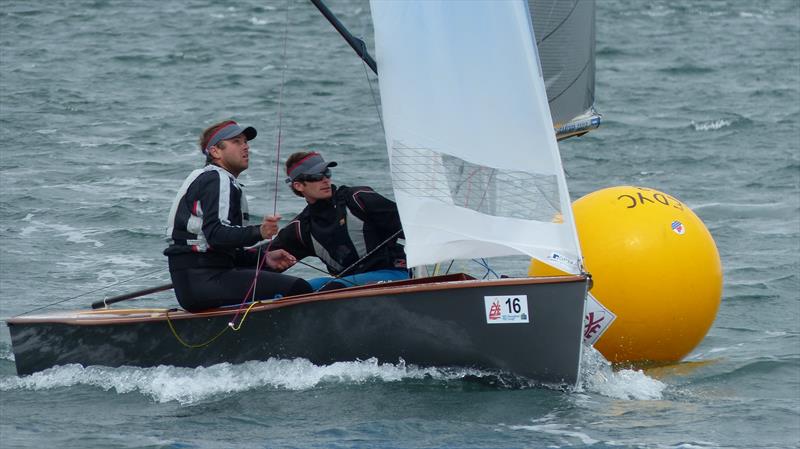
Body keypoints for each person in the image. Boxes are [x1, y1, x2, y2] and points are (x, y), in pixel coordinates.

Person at [164, 120, 312, 312]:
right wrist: (260, 232)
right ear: (215, 151)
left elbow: (223, 251)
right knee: (299, 288)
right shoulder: (217, 178)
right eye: (237, 141)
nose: (246, 147)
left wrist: (264, 259)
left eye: (246, 142)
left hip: (196, 281)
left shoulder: (216, 180)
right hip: (203, 280)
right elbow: (216, 235)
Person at [270, 151, 409, 290]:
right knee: (297, 289)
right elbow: (264, 258)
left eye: (327, 173)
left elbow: (412, 227)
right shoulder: (302, 227)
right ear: (298, 186)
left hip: (395, 275)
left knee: (333, 287)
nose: (325, 180)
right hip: (347, 284)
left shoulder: (358, 199)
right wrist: (256, 235)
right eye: (316, 176)